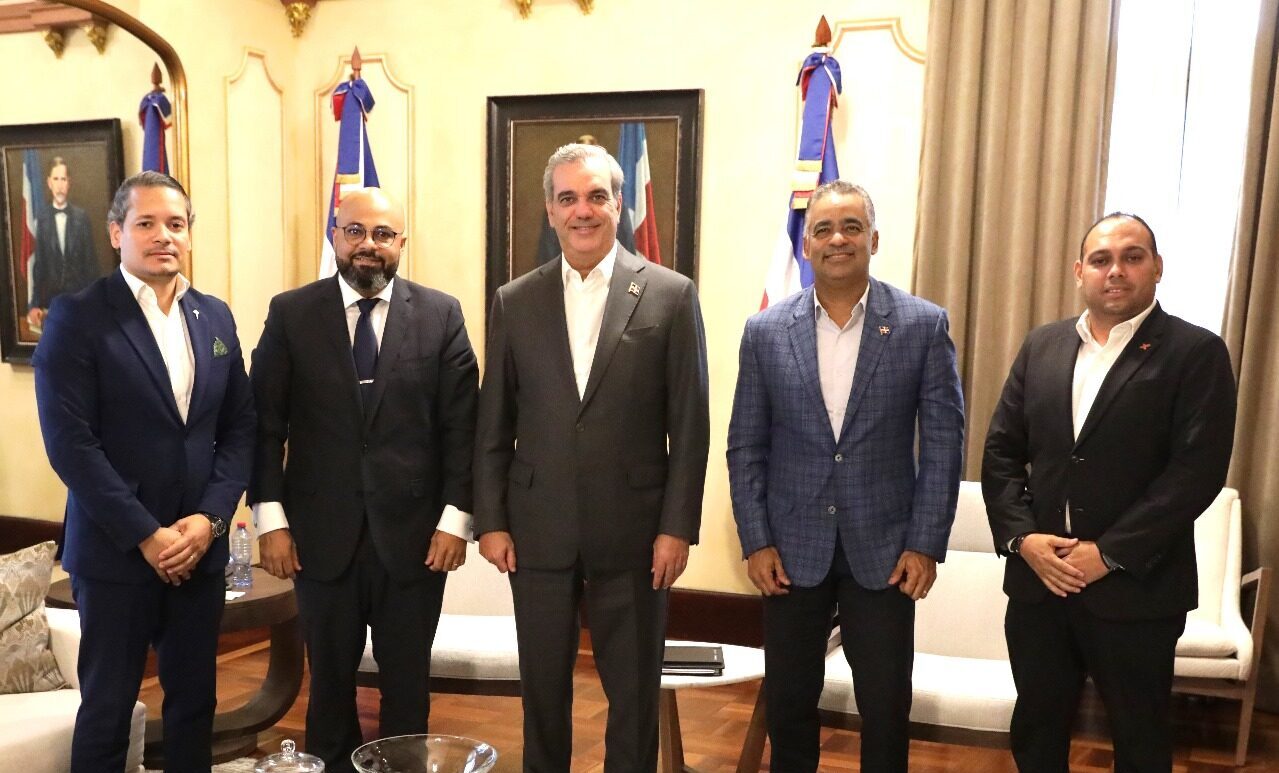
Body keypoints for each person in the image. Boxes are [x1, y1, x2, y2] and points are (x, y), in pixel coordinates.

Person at [474, 143, 709, 772]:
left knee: (633, 697)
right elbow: (494, 423)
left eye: (596, 196)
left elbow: (690, 427)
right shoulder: (514, 300)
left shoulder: (669, 294)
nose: (583, 210)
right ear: (550, 211)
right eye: (569, 198)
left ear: (618, 204)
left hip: (635, 535)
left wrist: (676, 528)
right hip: (536, 532)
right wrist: (491, 520)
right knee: (542, 696)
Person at [982, 212, 1237, 772]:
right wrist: (1023, 539)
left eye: (1132, 257)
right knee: (1036, 729)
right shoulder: (1042, 345)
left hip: (1137, 589)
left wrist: (1109, 553)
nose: (1115, 270)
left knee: (1140, 739)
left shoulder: (1196, 352)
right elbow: (1000, 451)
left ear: (1157, 267)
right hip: (1040, 582)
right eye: (1101, 260)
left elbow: (1195, 473)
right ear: (1080, 271)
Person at [727, 180, 965, 773]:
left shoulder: (922, 325)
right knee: (789, 707)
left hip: (886, 550)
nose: (838, 239)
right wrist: (756, 540)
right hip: (789, 550)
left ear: (873, 240)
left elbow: (944, 444)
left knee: (885, 708)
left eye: (852, 227)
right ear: (806, 244)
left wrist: (924, 542)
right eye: (824, 229)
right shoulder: (765, 332)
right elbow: (746, 444)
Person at [248, 188, 478, 772]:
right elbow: (264, 425)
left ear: (402, 242)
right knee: (328, 687)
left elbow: (463, 429)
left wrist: (456, 521)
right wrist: (270, 521)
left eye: (382, 234)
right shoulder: (291, 314)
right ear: (335, 237)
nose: (367, 245)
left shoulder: (441, 314)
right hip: (317, 538)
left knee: (408, 688)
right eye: (355, 231)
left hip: (416, 542)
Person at [33, 171, 255, 771]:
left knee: (194, 707)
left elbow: (239, 428)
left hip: (198, 549)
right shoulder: (78, 317)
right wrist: (146, 535)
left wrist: (209, 521)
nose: (164, 236)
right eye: (146, 223)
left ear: (189, 234)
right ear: (116, 233)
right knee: (108, 712)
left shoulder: (214, 317)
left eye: (176, 224)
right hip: (116, 553)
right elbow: (71, 446)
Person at [28, 156, 100, 331]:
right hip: (52, 303)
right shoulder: (42, 220)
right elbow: (40, 266)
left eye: (63, 179)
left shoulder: (81, 218)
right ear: (49, 183)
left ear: (69, 183)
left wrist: (93, 302)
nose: (60, 185)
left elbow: (91, 265)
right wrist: (35, 304)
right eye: (56, 179)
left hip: (80, 301)